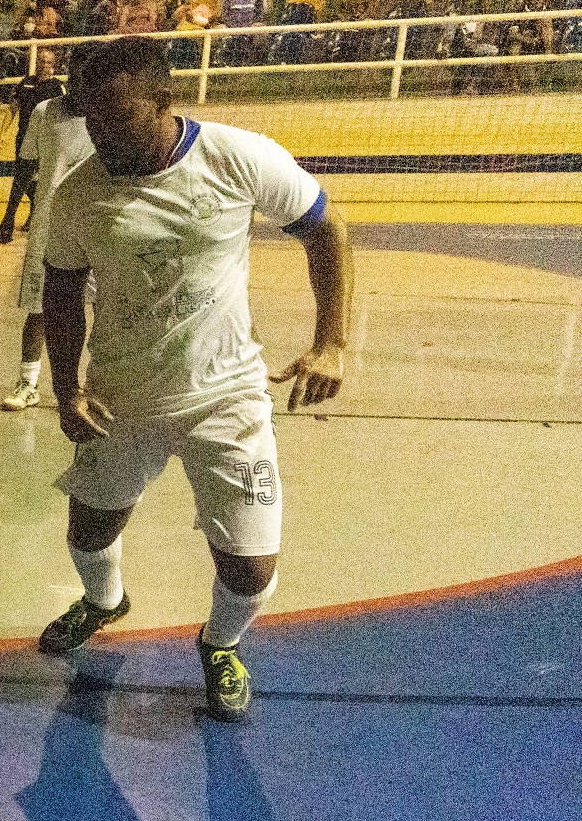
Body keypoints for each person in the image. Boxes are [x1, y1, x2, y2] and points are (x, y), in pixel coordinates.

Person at [36, 37, 353, 721]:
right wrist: (67, 387)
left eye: (117, 119)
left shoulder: (237, 157)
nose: (100, 133)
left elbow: (327, 230)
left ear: (163, 102)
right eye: (90, 119)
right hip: (120, 398)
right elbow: (61, 290)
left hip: (227, 396)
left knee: (251, 571)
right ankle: (103, 601)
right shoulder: (79, 196)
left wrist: (331, 342)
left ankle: (220, 643)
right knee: (86, 535)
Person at [0, 48, 95, 413]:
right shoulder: (44, 112)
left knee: (106, 308)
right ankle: (28, 383)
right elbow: (25, 166)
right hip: (49, 227)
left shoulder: (108, 116)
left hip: (98, 229)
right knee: (38, 308)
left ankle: (95, 384)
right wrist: (9, 216)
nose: (83, 81)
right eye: (79, 73)